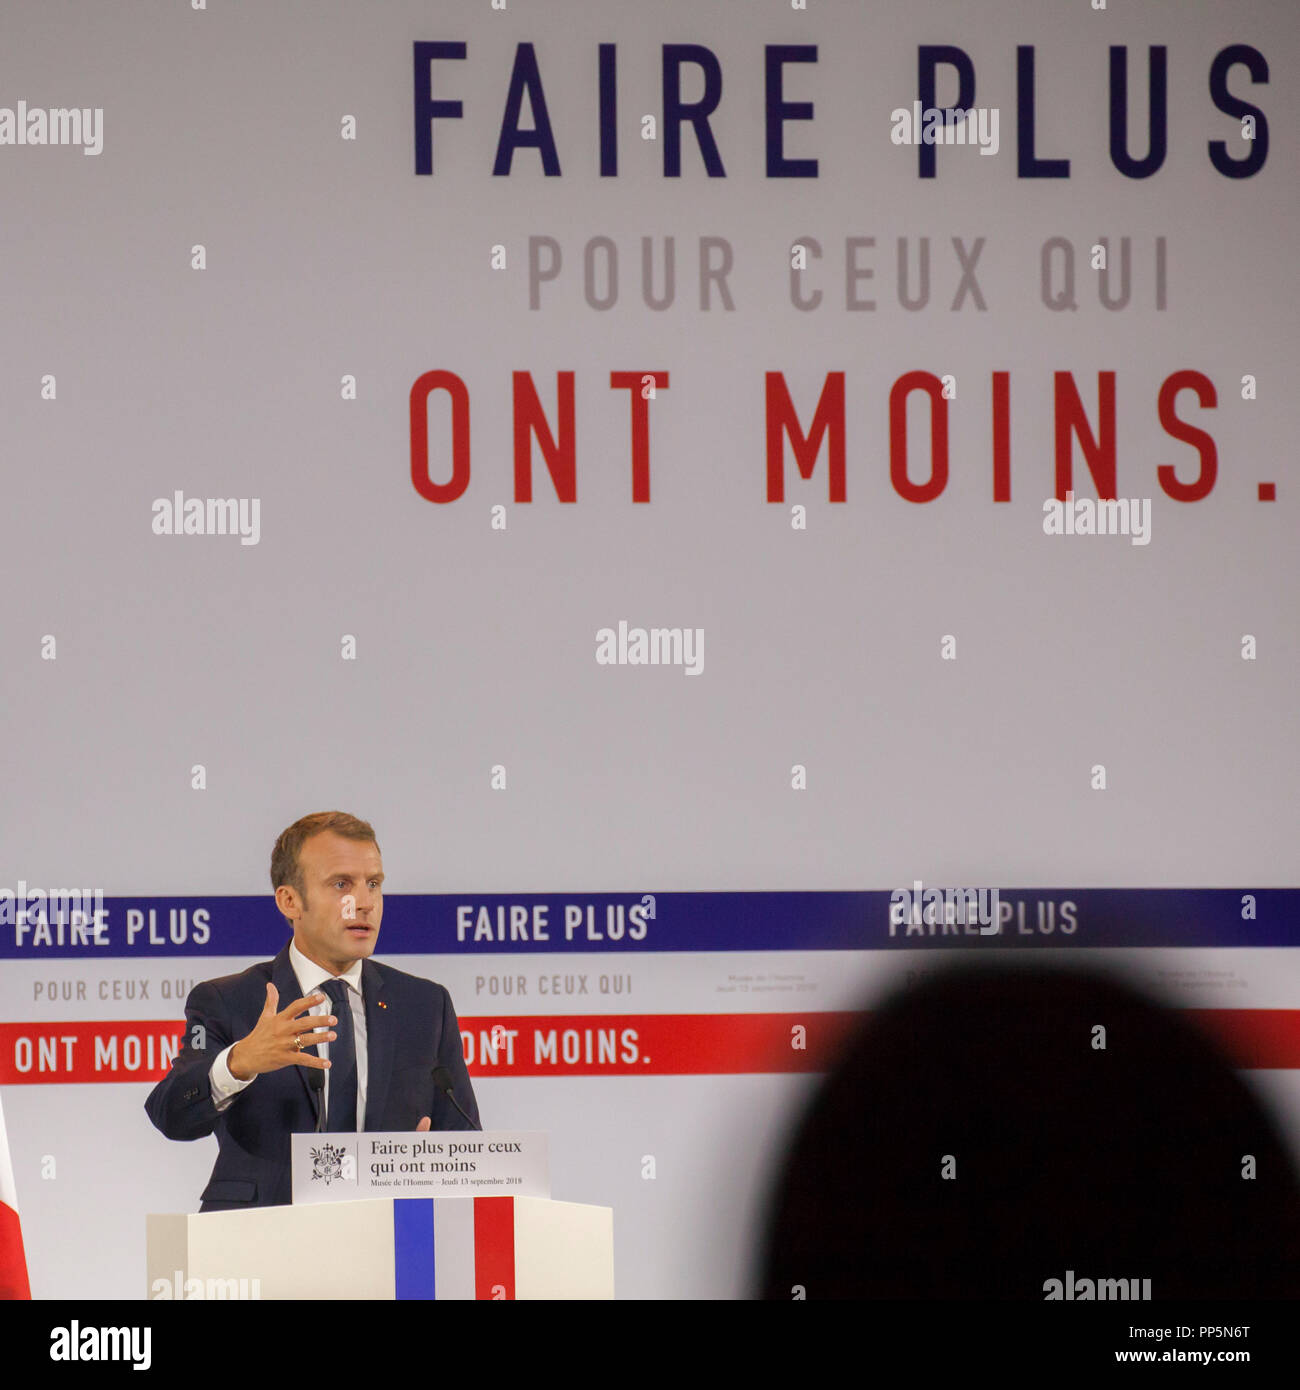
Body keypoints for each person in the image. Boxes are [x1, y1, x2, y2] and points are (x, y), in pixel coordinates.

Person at [145, 811, 479, 1211]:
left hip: (387, 1240)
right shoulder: (228, 1000)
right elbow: (171, 1114)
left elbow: (464, 1140)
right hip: (258, 1242)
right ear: (290, 901)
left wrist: (433, 1167)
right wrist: (237, 1064)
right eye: (342, 885)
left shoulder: (424, 1005)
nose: (366, 903)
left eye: (373, 884)